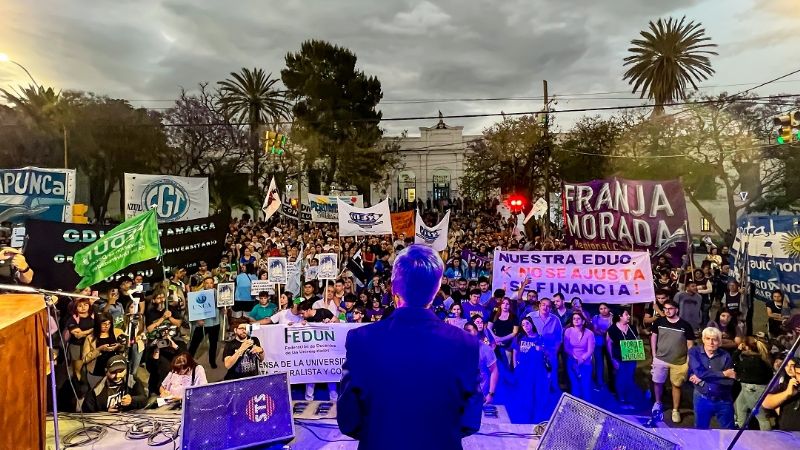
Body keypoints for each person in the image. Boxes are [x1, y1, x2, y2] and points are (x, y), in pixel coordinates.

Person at [338, 245, 483, 450]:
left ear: (393, 286)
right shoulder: (465, 343)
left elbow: (348, 420)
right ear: (437, 287)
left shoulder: (361, 339)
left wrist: (381, 433)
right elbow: (470, 420)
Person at [651, 299, 695, 424]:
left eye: (670, 308)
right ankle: (658, 403)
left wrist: (687, 362)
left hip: (679, 362)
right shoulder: (659, 322)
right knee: (658, 383)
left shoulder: (685, 325)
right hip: (660, 359)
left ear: (676, 310)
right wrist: (654, 355)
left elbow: (690, 344)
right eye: (665, 309)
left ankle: (675, 410)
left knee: (676, 385)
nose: (667, 311)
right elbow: (653, 337)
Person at [688, 327, 736, 429]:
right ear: (703, 339)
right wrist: (722, 374)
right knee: (700, 430)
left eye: (714, 339)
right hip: (702, 397)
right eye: (708, 338)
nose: (711, 342)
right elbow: (698, 373)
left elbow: (730, 381)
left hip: (723, 399)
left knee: (729, 432)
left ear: (719, 342)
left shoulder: (726, 356)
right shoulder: (694, 352)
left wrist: (702, 380)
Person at [512, 317, 550, 422]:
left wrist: (541, 350)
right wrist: (515, 366)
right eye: (523, 325)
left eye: (527, 324)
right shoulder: (519, 337)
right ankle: (524, 415)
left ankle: (535, 416)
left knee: (536, 393)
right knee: (523, 392)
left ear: (532, 324)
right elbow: (515, 352)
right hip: (522, 370)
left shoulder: (539, 338)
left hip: (536, 371)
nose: (525, 327)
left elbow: (546, 354)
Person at [732, 337, 773, 430]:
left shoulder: (748, 360)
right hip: (751, 388)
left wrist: (738, 350)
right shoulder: (763, 359)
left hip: (752, 390)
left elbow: (734, 363)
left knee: (761, 417)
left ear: (746, 347)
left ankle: (767, 439)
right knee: (740, 411)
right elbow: (769, 375)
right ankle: (744, 436)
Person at [82, 355, 147, 413]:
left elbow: (144, 400)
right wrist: (105, 411)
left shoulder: (133, 381)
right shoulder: (97, 390)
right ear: (106, 371)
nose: (117, 375)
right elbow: (86, 411)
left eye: (121, 371)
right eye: (113, 372)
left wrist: (132, 400)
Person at [606, 309, 639, 409]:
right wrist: (612, 359)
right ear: (620, 316)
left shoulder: (632, 327)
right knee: (620, 378)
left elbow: (637, 340)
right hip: (618, 358)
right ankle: (621, 399)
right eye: (626, 314)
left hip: (631, 358)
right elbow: (608, 344)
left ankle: (628, 398)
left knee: (629, 378)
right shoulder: (612, 329)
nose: (629, 316)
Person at [82, 313, 124, 387]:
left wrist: (119, 346)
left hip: (114, 372)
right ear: (98, 324)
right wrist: (99, 349)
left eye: (109, 323)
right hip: (96, 372)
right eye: (104, 324)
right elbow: (85, 359)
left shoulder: (117, 333)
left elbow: (125, 348)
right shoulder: (90, 338)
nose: (106, 326)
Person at [763, 353, 800, 431]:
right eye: (786, 365)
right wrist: (787, 393)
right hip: (786, 433)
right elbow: (765, 402)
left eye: (793, 365)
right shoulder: (782, 380)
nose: (789, 369)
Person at [465, 321, 499, 404]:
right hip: (465, 395)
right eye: (466, 331)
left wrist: (491, 393)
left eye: (470, 330)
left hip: (481, 394)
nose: (468, 333)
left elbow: (494, 371)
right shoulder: (462, 347)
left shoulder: (486, 349)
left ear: (476, 331)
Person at [564, 312, 594, 402]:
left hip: (586, 362)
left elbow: (590, 350)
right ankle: (575, 408)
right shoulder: (568, 331)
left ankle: (587, 407)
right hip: (572, 360)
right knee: (575, 385)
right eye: (574, 318)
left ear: (583, 321)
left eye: (578, 318)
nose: (576, 320)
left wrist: (582, 359)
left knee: (585, 385)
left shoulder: (589, 333)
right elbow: (566, 347)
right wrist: (575, 358)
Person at [488, 298, 518, 368]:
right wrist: (495, 338)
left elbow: (515, 332)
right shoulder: (494, 314)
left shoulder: (513, 316)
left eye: (507, 304)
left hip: (508, 345)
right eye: (503, 303)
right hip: (495, 343)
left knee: (506, 367)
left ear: (510, 306)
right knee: (496, 366)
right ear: (500, 305)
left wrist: (501, 339)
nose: (505, 305)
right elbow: (489, 328)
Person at [591, 302, 613, 390]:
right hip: (598, 343)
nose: (603, 310)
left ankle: (612, 383)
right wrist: (606, 332)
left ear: (609, 309)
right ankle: (599, 382)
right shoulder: (595, 317)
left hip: (610, 344)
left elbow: (613, 329)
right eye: (601, 309)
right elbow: (595, 329)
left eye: (605, 308)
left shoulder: (613, 317)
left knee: (611, 363)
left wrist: (606, 333)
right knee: (599, 363)